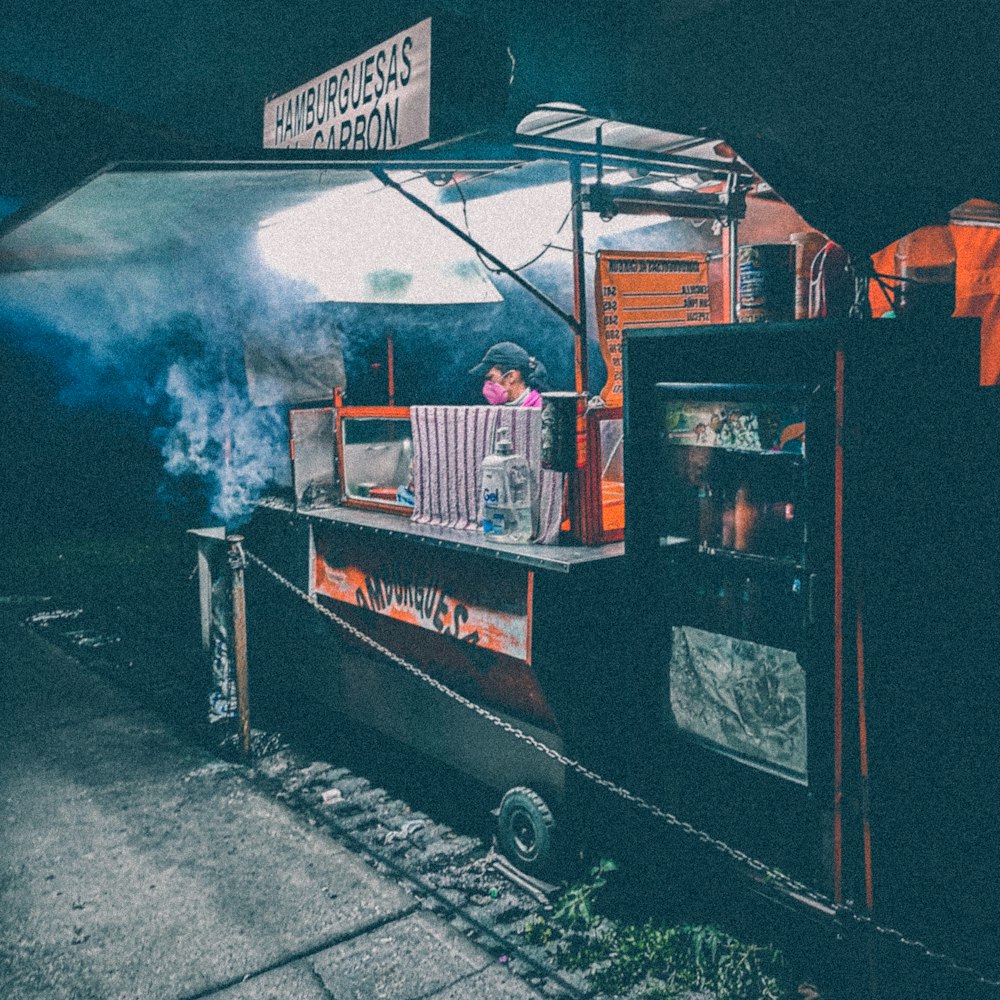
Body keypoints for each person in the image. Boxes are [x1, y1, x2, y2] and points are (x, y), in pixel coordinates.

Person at [469, 341, 550, 407]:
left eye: (490, 378)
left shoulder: (542, 410)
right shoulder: (498, 412)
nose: (486, 385)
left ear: (511, 376)